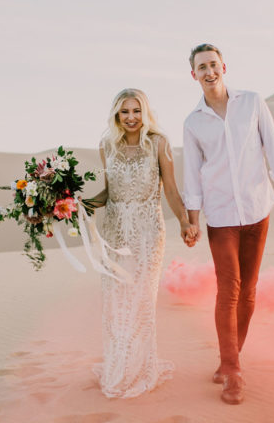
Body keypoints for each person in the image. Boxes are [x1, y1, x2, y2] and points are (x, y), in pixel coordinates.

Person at [182, 44, 274, 405]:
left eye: (213, 64)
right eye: (202, 67)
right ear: (193, 75)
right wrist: (192, 221)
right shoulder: (193, 123)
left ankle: (230, 359)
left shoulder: (252, 102)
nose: (209, 72)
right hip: (220, 218)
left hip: (257, 209)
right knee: (228, 289)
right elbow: (192, 176)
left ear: (224, 67)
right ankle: (233, 372)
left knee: (248, 290)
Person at [84, 88, 198, 398]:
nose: (131, 117)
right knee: (116, 302)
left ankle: (138, 369)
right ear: (117, 115)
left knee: (140, 302)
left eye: (136, 111)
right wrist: (75, 204)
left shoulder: (159, 143)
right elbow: (108, 192)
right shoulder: (106, 146)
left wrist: (185, 221)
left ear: (145, 113)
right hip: (115, 232)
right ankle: (118, 368)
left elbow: (170, 189)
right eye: (125, 112)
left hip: (148, 231)